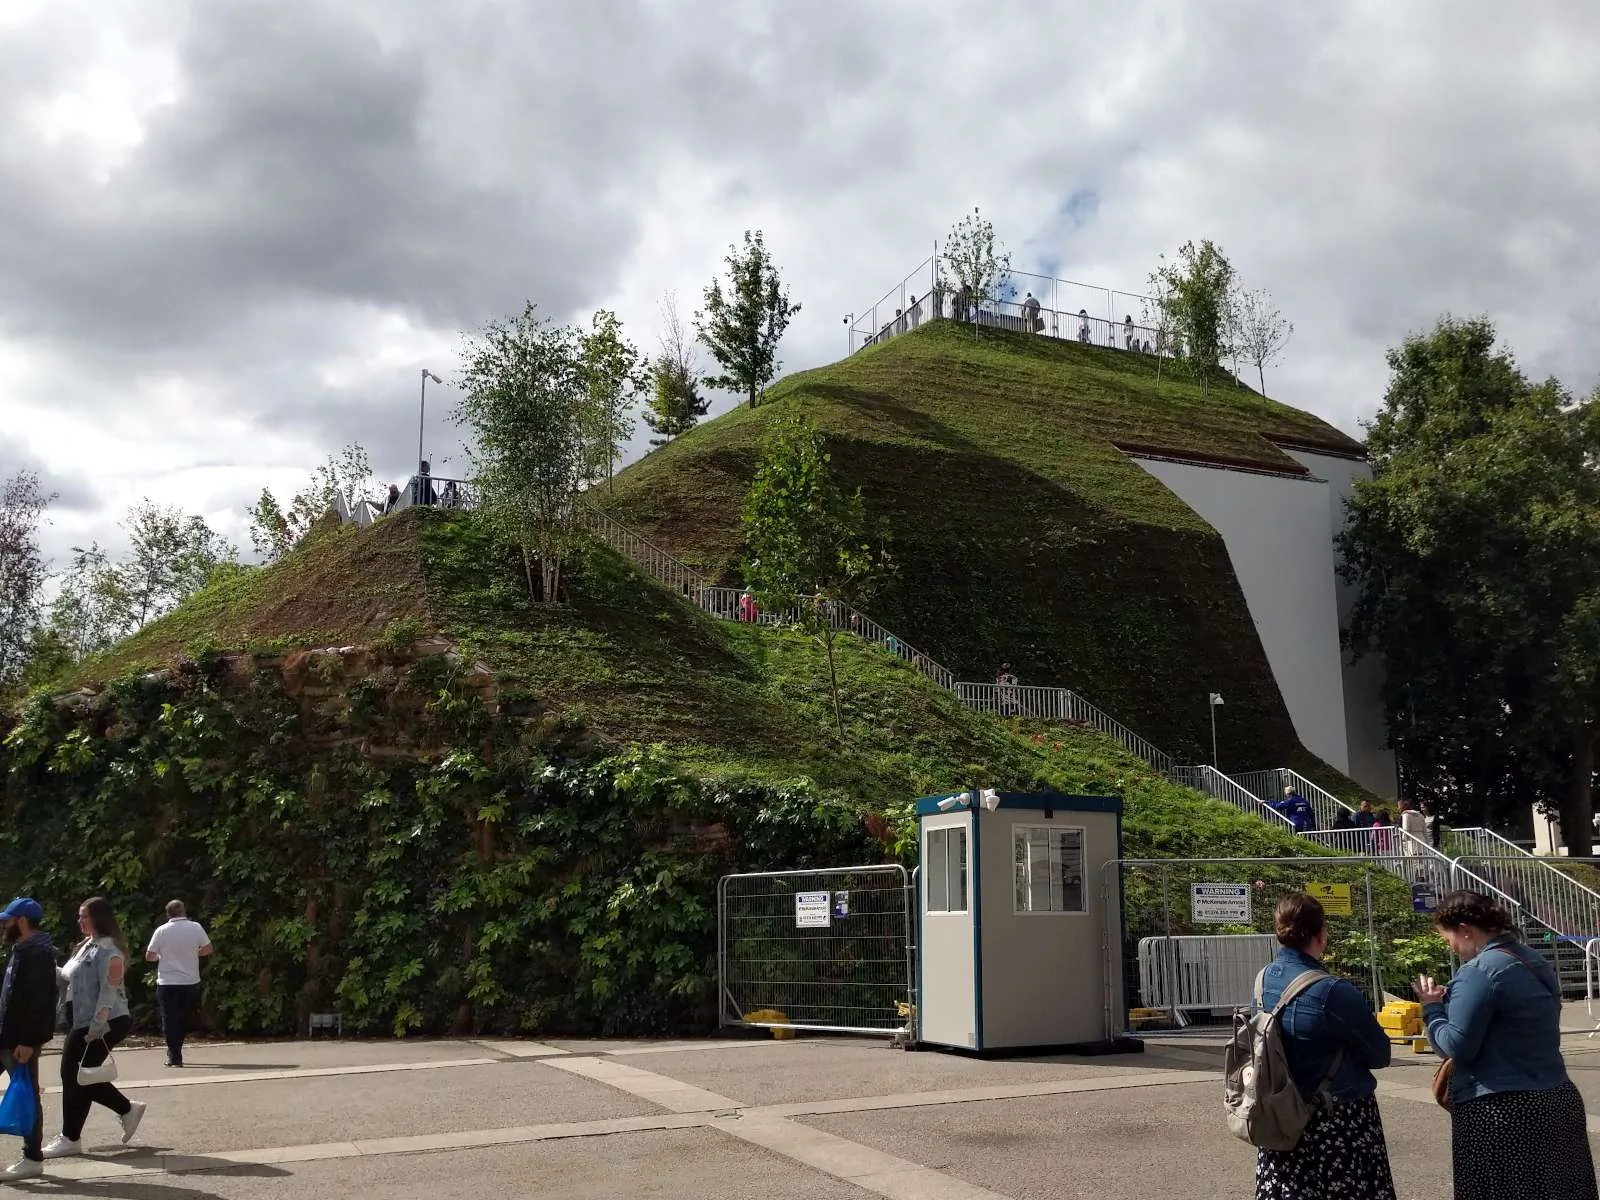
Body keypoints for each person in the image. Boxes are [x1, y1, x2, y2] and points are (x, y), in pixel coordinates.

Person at [1416, 890, 1595, 1200]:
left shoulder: (1479, 972)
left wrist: (1432, 1009)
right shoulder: (1534, 961)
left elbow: (1456, 1046)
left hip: (1501, 1112)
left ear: (1464, 930)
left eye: (1450, 941)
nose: (1454, 950)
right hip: (1556, 1099)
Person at [1253, 892, 1396, 1199]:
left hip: (1282, 1116)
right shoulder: (1332, 991)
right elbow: (1380, 1054)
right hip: (1337, 1120)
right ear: (1321, 935)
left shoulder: (1263, 982)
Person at [45, 898, 143, 1158]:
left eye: (83, 916)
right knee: (80, 1076)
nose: (79, 921)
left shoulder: (109, 951)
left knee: (74, 1074)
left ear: (98, 918)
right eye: (79, 916)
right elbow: (67, 977)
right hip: (83, 1019)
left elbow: (108, 991)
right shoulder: (86, 946)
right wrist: (46, 964)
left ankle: (71, 1137)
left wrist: (97, 1026)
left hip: (101, 1021)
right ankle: (124, 1110)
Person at [0, 898, 57, 1180]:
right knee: (28, 1092)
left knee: (27, 1094)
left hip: (18, 1041)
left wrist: (27, 1041)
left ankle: (32, 1157)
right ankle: (31, 1155)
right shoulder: (22, 949)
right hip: (5, 1036)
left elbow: (39, 1003)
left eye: (6, 920)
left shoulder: (38, 954)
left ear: (21, 921)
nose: (3, 925)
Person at [145, 900, 212, 1069]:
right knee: (182, 1018)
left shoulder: (161, 931)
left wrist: (161, 956)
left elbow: (149, 955)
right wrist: (194, 953)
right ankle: (177, 1050)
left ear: (167, 914)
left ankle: (174, 1055)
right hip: (190, 981)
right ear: (183, 911)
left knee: (169, 1018)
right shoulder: (195, 927)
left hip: (167, 982)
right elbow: (208, 948)